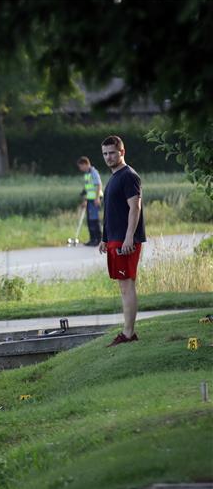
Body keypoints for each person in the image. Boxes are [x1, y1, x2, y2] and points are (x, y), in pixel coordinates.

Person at [98, 135, 146, 347]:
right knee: (123, 286)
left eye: (112, 153)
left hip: (126, 241)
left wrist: (129, 237)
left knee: (127, 286)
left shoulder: (129, 176)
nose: (108, 157)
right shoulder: (114, 177)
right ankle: (127, 332)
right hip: (114, 240)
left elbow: (135, 207)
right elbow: (112, 212)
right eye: (105, 153)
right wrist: (104, 239)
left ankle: (128, 334)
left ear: (122, 152)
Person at [77, 156, 103, 246]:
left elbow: (98, 185)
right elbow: (88, 188)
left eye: (80, 166)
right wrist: (84, 199)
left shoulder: (93, 172)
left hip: (95, 199)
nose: (80, 169)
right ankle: (92, 239)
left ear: (85, 164)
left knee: (94, 219)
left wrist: (97, 198)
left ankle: (98, 239)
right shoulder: (87, 174)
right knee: (89, 220)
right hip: (89, 198)